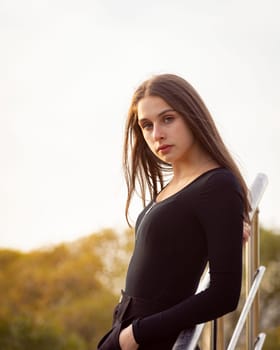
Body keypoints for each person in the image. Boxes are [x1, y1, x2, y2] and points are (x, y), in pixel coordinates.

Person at [97, 73, 251, 350]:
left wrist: (137, 334)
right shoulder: (175, 186)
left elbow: (224, 294)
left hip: (149, 338)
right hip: (123, 331)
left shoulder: (217, 184)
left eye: (168, 119)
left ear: (191, 115)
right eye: (146, 125)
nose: (157, 134)